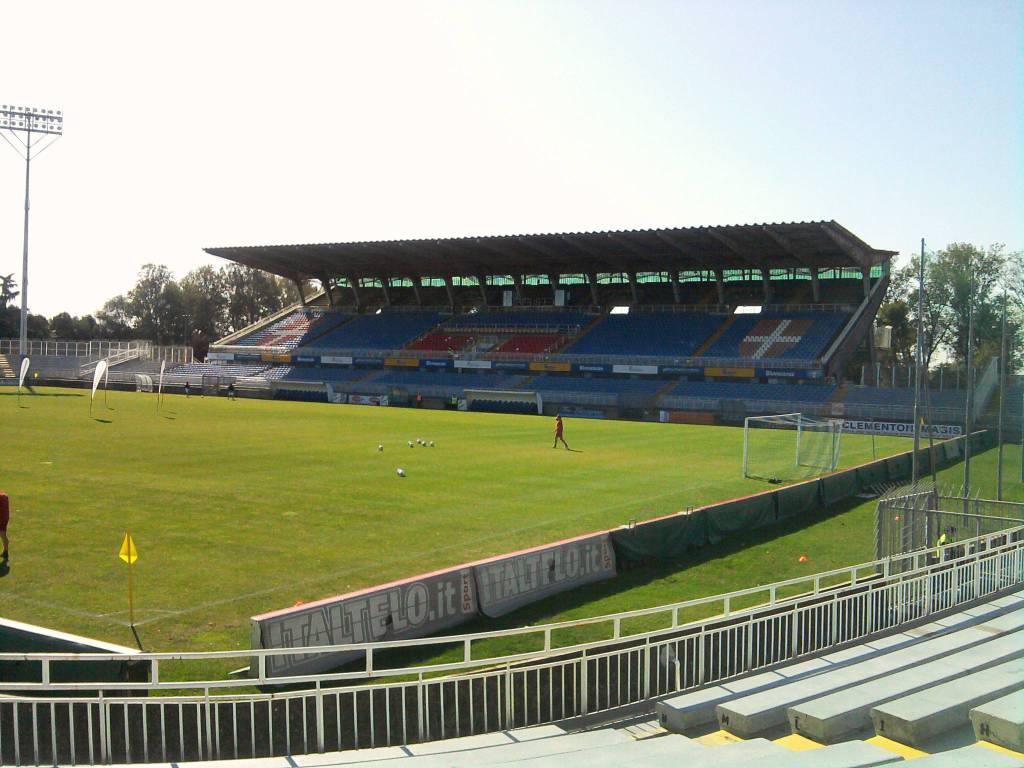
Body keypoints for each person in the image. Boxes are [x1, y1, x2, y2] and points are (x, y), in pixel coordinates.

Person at [0, 491, 9, 563]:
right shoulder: (4, 496)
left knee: (3, 534)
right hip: (5, 517)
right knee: (3, 535)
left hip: (1, 518)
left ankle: (6, 551)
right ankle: (6, 551)